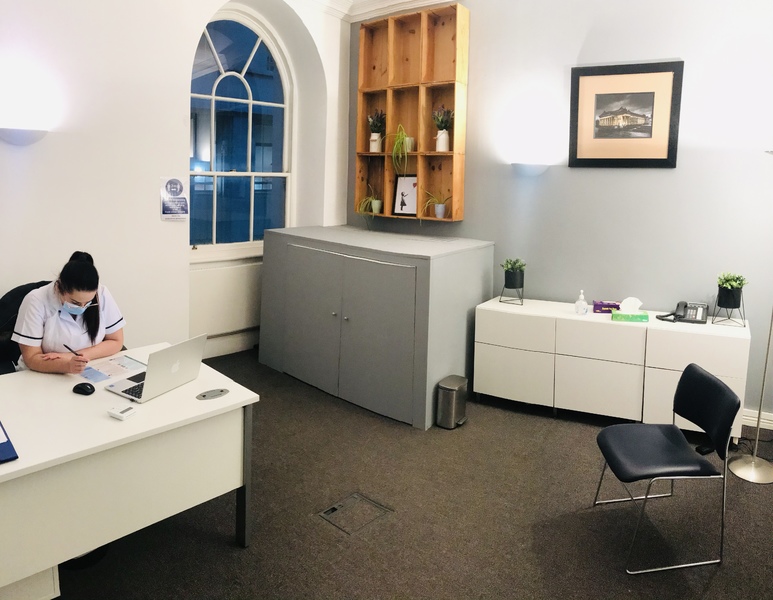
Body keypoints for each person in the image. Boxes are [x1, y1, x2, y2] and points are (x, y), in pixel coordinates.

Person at [12, 251, 125, 373]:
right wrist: (66, 365)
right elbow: (31, 358)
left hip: (89, 367)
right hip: (39, 373)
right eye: (75, 303)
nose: (82, 308)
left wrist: (73, 358)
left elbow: (116, 341)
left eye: (88, 302)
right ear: (59, 288)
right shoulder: (36, 300)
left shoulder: (101, 293)